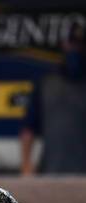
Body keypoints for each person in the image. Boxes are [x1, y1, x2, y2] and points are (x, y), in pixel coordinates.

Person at [20, 24, 86, 175]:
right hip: (52, 172)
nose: (76, 49)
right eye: (72, 44)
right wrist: (26, 166)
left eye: (80, 44)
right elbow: (28, 129)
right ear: (64, 45)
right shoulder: (46, 84)